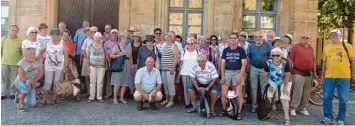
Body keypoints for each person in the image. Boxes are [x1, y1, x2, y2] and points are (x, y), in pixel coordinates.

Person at [320, 29, 355, 125]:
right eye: (332, 35)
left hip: (344, 77)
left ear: (340, 36)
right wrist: (322, 76)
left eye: (335, 35)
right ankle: (328, 117)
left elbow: (352, 61)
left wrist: (353, 74)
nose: (333, 37)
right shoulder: (327, 48)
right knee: (327, 97)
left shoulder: (347, 46)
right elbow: (324, 63)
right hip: (329, 77)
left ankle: (341, 119)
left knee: (343, 99)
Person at [37, 28, 68, 106]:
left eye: (55, 36)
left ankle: (54, 99)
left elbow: (66, 56)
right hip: (49, 67)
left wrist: (65, 67)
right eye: (52, 36)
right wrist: (37, 58)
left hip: (59, 67)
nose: (53, 37)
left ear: (58, 36)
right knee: (48, 83)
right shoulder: (48, 43)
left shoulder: (62, 43)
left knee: (56, 83)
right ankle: (44, 99)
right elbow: (40, 51)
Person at [219, 33, 247, 119]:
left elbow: (244, 64)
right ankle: (224, 109)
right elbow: (222, 64)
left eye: (235, 38)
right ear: (229, 40)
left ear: (238, 39)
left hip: (237, 72)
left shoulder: (241, 50)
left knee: (239, 94)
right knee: (223, 93)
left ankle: (239, 112)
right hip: (227, 72)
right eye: (231, 38)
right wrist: (223, 76)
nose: (233, 40)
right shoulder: (225, 50)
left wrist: (240, 76)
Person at [289, 33, 316, 117]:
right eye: (303, 37)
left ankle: (302, 108)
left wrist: (314, 73)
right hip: (298, 73)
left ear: (309, 39)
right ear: (300, 38)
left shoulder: (311, 48)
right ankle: (293, 108)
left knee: (306, 93)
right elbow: (290, 59)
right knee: (297, 92)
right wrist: (290, 71)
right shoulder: (296, 47)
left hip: (309, 73)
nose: (305, 39)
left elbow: (313, 61)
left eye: (307, 37)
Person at [264, 47, 292, 125]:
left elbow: (287, 75)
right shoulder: (268, 62)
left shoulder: (285, 62)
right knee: (268, 95)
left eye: (277, 55)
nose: (275, 57)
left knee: (284, 98)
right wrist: (268, 85)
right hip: (273, 79)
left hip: (285, 80)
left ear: (281, 56)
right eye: (273, 55)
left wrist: (285, 88)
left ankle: (287, 118)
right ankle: (266, 113)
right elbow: (265, 74)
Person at [248, 31, 272, 113]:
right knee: (253, 88)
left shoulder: (267, 45)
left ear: (263, 37)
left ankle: (264, 106)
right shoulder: (251, 46)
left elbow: (270, 56)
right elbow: (249, 57)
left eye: (260, 36)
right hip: (253, 68)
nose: (258, 38)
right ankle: (254, 106)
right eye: (256, 37)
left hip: (264, 69)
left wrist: (269, 68)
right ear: (254, 38)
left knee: (263, 88)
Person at [110, 32, 133, 104]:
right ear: (120, 38)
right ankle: (115, 98)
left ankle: (121, 98)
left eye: (126, 37)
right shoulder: (117, 46)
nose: (125, 39)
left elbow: (130, 57)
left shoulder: (129, 46)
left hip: (127, 65)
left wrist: (131, 66)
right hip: (119, 65)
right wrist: (119, 55)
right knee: (117, 83)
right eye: (123, 37)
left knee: (124, 83)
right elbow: (111, 56)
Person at [86, 32, 109, 103]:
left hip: (101, 66)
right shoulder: (90, 45)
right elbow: (88, 56)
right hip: (92, 65)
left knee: (100, 82)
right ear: (94, 38)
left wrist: (107, 62)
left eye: (99, 37)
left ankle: (99, 97)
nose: (97, 39)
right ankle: (91, 97)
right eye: (96, 37)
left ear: (100, 38)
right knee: (92, 81)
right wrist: (88, 65)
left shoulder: (103, 45)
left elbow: (106, 55)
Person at [1, 25, 22, 100]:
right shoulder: (3, 39)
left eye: (15, 30)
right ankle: (2, 93)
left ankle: (12, 93)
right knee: (4, 79)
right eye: (12, 30)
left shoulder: (20, 41)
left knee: (13, 79)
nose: (13, 32)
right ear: (9, 31)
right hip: (4, 62)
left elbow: (21, 52)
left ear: (17, 32)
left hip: (15, 63)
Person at [177, 37, 199, 108]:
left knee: (193, 89)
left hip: (194, 74)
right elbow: (181, 63)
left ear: (195, 44)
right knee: (186, 88)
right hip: (184, 72)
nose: (190, 45)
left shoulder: (198, 52)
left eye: (192, 44)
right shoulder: (184, 52)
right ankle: (187, 102)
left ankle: (194, 103)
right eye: (188, 44)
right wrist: (179, 74)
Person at [160, 31, 179, 108]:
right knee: (165, 84)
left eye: (168, 35)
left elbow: (176, 57)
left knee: (170, 85)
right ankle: (167, 99)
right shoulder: (163, 45)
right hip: (163, 68)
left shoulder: (174, 46)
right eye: (166, 35)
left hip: (170, 68)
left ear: (172, 37)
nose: (166, 37)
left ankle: (171, 101)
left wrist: (173, 67)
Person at [81, 26, 97, 98]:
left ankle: (95, 93)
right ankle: (88, 92)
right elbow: (83, 50)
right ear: (89, 32)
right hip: (87, 60)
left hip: (96, 61)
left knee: (95, 77)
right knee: (87, 77)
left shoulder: (100, 40)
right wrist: (87, 58)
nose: (93, 33)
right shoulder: (86, 40)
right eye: (92, 32)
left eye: (95, 32)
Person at [103, 29, 119, 99]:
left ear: (117, 34)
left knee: (117, 77)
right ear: (111, 34)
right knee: (109, 77)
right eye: (113, 33)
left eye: (115, 34)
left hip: (117, 61)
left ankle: (117, 93)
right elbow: (105, 52)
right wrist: (108, 59)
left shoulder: (119, 43)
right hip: (108, 61)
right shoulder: (106, 43)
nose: (114, 35)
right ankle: (108, 93)